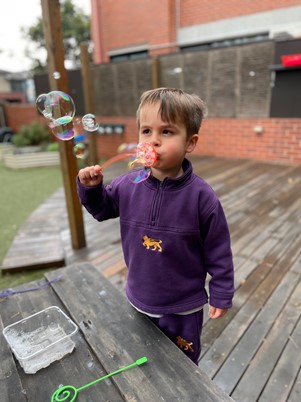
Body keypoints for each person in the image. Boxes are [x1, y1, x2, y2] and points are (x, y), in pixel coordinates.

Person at [77, 88, 234, 364]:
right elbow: (101, 210)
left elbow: (218, 249)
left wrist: (221, 293)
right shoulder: (127, 185)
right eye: (146, 131)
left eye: (167, 132)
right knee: (142, 357)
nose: (154, 141)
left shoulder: (201, 197)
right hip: (139, 297)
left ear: (191, 142)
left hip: (183, 307)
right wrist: (91, 189)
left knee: (182, 365)